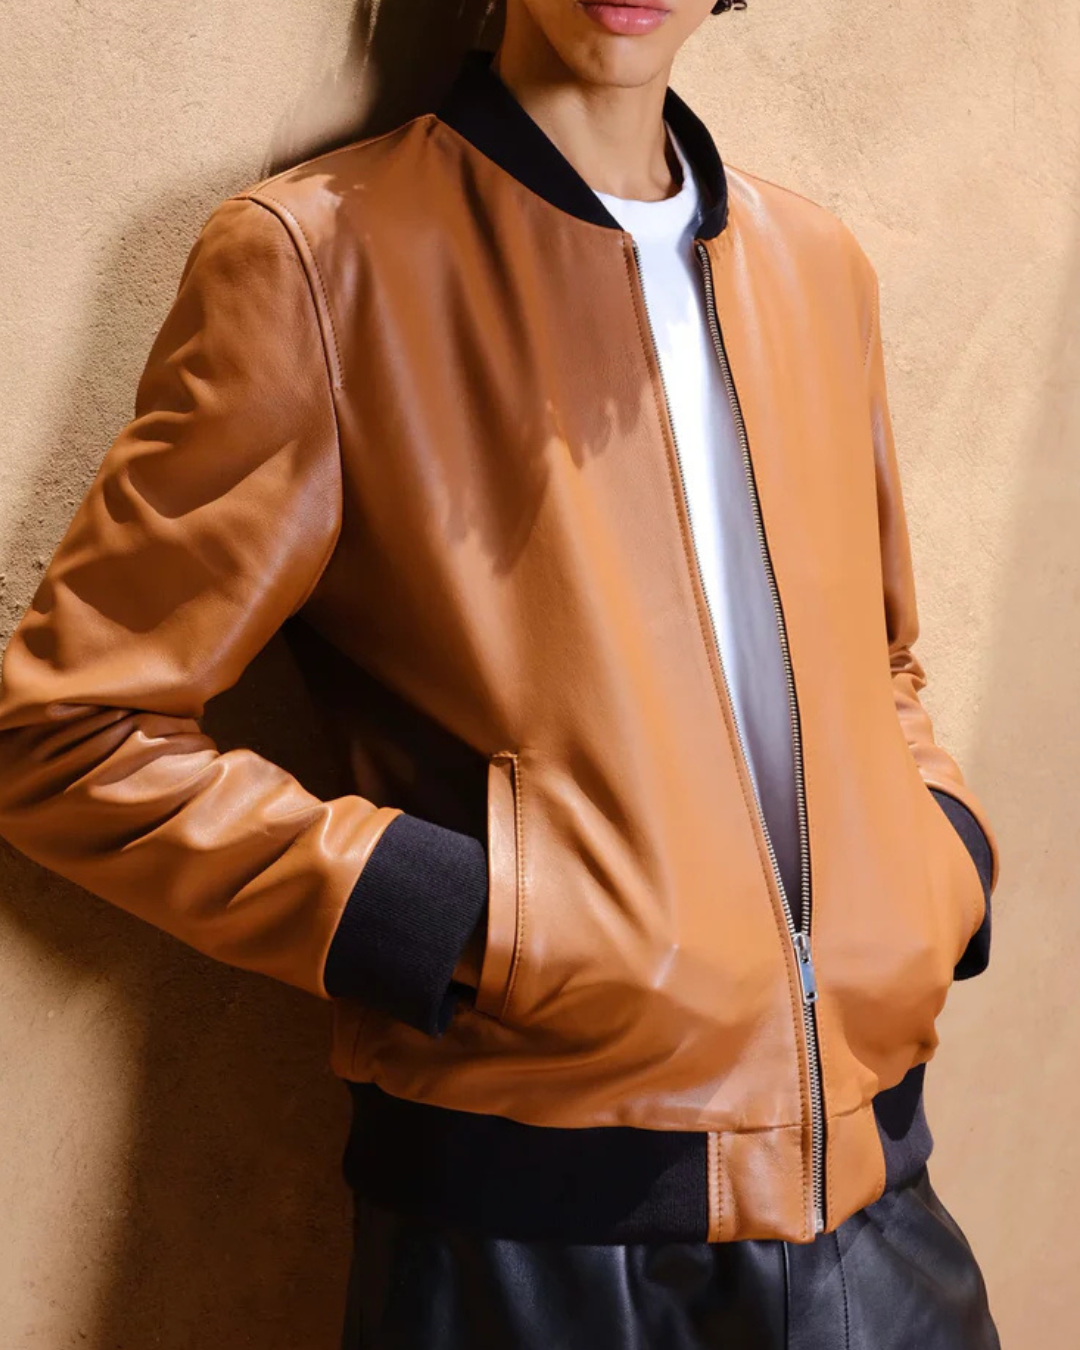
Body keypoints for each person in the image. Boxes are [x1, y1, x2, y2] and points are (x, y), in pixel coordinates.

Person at [0, 0, 1003, 1346]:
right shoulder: (323, 260)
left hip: (879, 1211)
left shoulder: (818, 269)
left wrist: (939, 857)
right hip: (532, 1241)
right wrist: (450, 915)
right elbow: (67, 733)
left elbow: (879, 657)